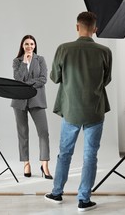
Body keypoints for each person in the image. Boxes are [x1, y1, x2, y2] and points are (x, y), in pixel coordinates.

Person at [44, 12, 112, 212]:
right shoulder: (105, 51)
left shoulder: (64, 49)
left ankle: (57, 193)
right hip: (95, 109)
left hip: (70, 109)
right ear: (95, 29)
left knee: (65, 153)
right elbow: (106, 80)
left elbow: (55, 77)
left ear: (77, 27)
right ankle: (84, 200)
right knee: (90, 156)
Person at [11, 34, 53, 179]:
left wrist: (25, 84)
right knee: (22, 133)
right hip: (19, 101)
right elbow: (17, 79)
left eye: (32, 44)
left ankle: (45, 164)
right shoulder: (17, 62)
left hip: (37, 100)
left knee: (44, 132)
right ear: (22, 46)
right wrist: (24, 63)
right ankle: (26, 163)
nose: (29, 47)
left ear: (35, 46)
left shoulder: (40, 60)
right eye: (26, 44)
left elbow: (43, 79)